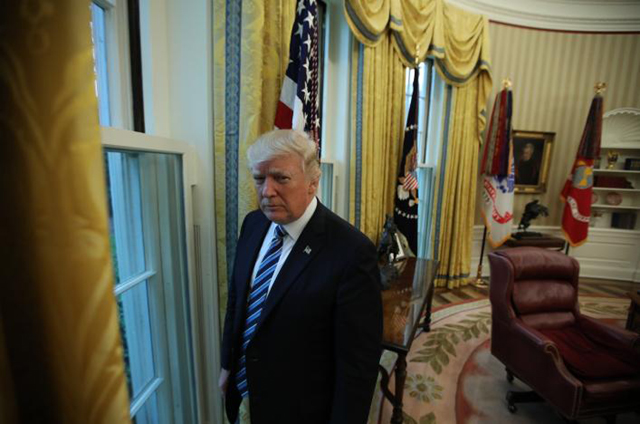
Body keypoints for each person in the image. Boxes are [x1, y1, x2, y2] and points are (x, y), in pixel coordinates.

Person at [219, 129, 383, 424]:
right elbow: (237, 303)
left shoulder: (352, 252)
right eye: (259, 178)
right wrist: (227, 365)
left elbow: (357, 366)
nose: (267, 191)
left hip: (302, 410)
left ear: (312, 183)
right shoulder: (253, 224)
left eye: (281, 178)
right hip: (247, 394)